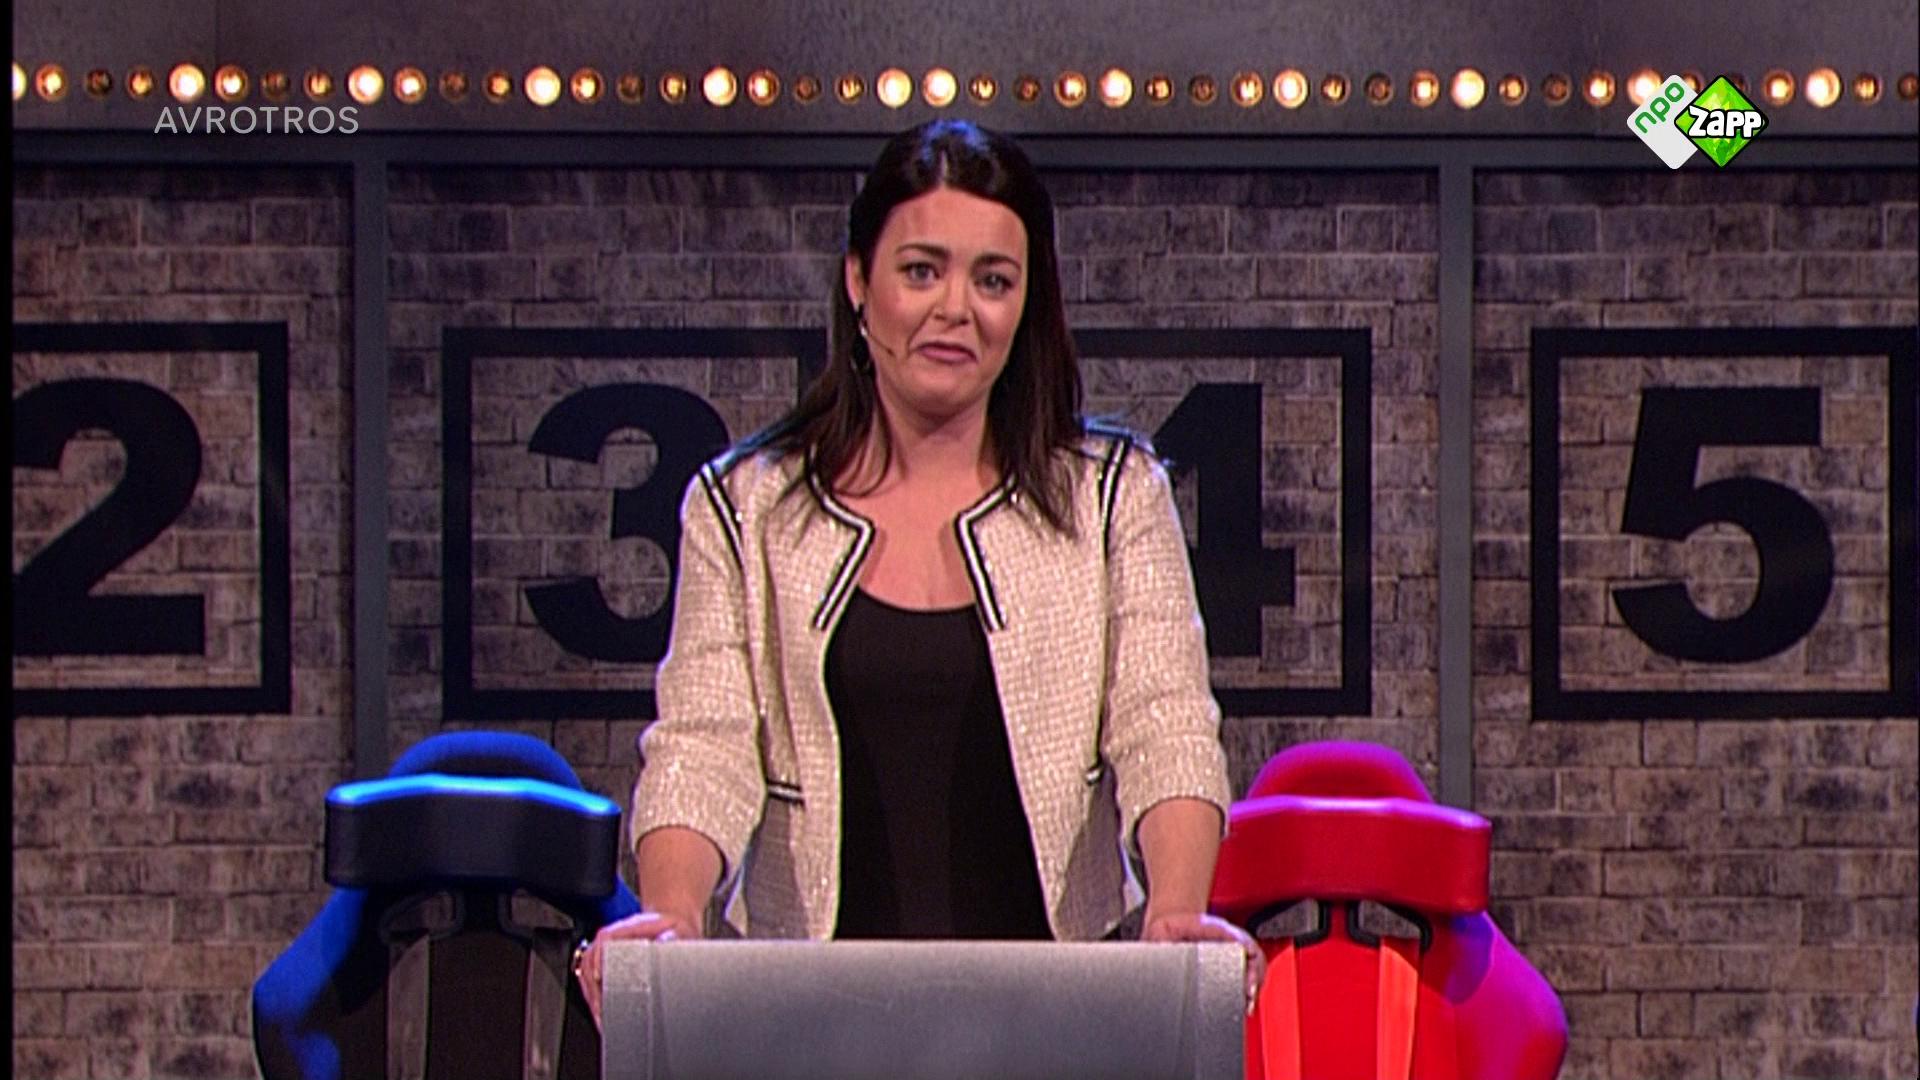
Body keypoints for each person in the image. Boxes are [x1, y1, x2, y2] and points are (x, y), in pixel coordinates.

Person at [574, 119, 1259, 1026]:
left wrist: (1174, 915)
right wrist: (673, 920)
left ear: (1027, 304)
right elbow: (703, 748)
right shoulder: (745, 508)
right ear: (860, 281)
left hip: (1055, 1017)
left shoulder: (1112, 496)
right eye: (922, 270)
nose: (956, 309)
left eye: (993, 280)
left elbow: (1164, 726)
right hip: (810, 1019)